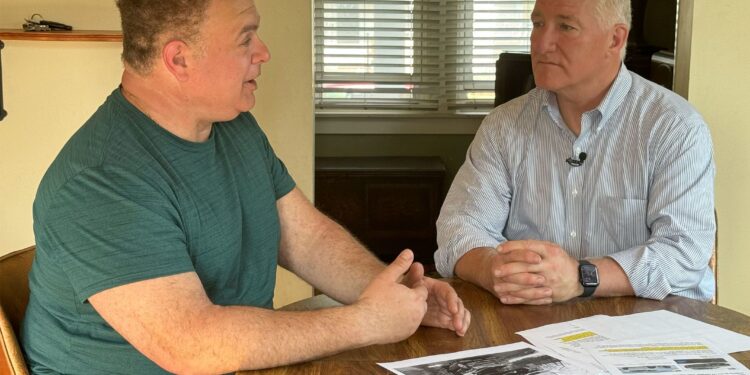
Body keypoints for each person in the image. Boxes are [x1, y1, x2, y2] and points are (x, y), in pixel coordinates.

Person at [21, 0, 470, 373]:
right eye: (245, 38)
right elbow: (193, 344)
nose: (264, 52)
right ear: (179, 59)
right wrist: (367, 322)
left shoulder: (234, 128)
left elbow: (306, 239)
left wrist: (393, 292)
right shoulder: (100, 183)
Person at [435, 0, 715, 305]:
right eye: (538, 24)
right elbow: (460, 228)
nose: (541, 44)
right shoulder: (504, 126)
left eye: (566, 27)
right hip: (532, 323)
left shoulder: (674, 128)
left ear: (615, 39)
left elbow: (684, 254)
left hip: (650, 330)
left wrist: (582, 277)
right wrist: (492, 268)